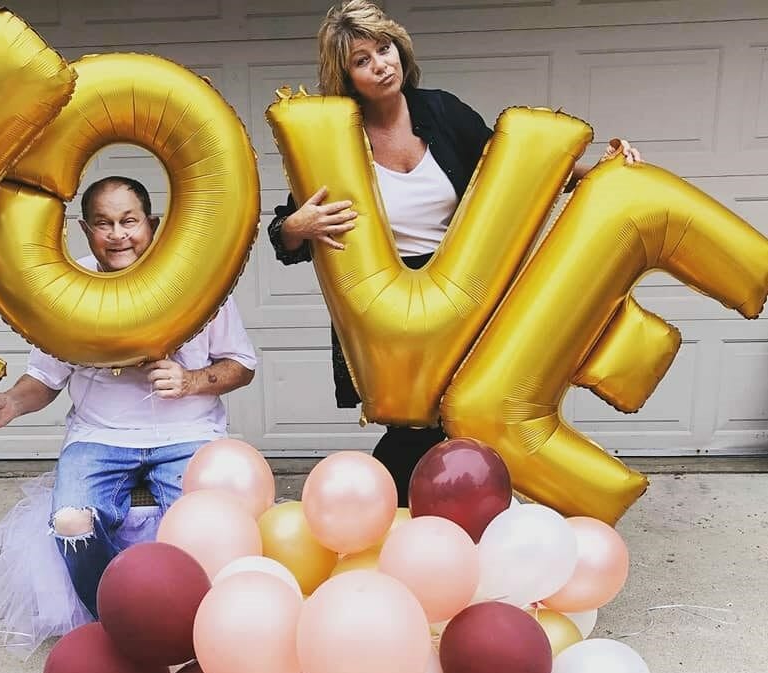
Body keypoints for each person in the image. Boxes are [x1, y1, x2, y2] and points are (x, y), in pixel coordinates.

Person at [268, 0, 642, 506]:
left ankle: (434, 518)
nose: (381, 64)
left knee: (468, 415)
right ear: (346, 75)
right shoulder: (335, 139)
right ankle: (399, 519)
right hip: (389, 310)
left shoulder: (441, 112)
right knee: (416, 426)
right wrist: (296, 225)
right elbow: (284, 239)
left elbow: (519, 170)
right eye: (362, 59)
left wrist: (602, 172)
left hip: (466, 291)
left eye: (385, 48)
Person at [0, 176, 257, 655]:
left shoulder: (199, 279)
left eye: (129, 221)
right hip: (99, 437)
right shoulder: (67, 288)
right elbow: (45, 379)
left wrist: (191, 381)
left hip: (189, 432)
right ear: (85, 229)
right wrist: (10, 403)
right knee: (72, 522)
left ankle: (199, 629)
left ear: (152, 225)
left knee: (207, 527)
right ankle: (118, 627)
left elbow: (241, 365)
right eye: (104, 223)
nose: (118, 234)